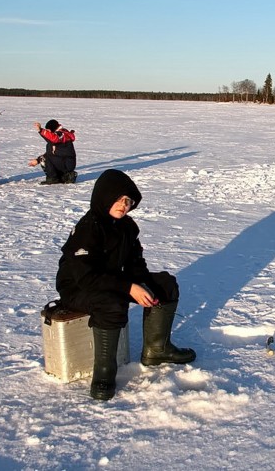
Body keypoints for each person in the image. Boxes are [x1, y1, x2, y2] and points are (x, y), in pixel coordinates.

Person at [55, 169, 196, 400]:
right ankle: (104, 373)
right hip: (79, 288)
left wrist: (142, 283)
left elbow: (135, 263)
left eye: (128, 201)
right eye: (119, 199)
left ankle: (157, 350)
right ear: (104, 197)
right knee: (112, 303)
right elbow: (87, 277)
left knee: (165, 284)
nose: (124, 205)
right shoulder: (87, 228)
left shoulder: (127, 227)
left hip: (112, 280)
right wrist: (129, 288)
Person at [33, 119, 77, 184]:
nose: (48, 133)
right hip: (63, 163)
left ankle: (55, 178)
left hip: (66, 163)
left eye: (49, 131)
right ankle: (64, 177)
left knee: (44, 158)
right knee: (44, 158)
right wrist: (37, 160)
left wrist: (41, 130)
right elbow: (50, 153)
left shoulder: (61, 135)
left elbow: (54, 138)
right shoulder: (59, 137)